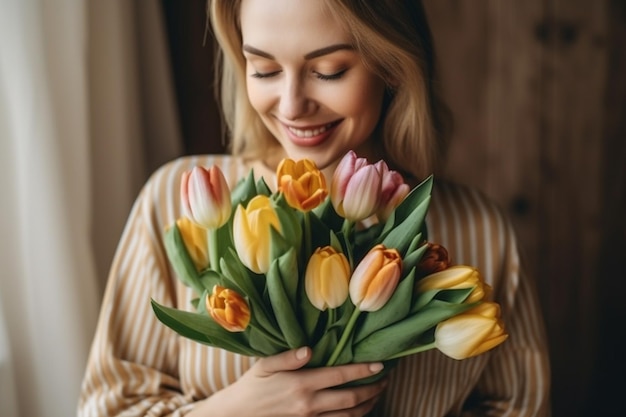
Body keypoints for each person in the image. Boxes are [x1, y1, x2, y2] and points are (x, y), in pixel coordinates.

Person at [78, 0, 551, 415]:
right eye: (263, 69)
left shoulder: (479, 231)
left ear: (392, 64)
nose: (291, 105)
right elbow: (107, 408)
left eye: (328, 71)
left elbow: (521, 408)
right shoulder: (177, 203)